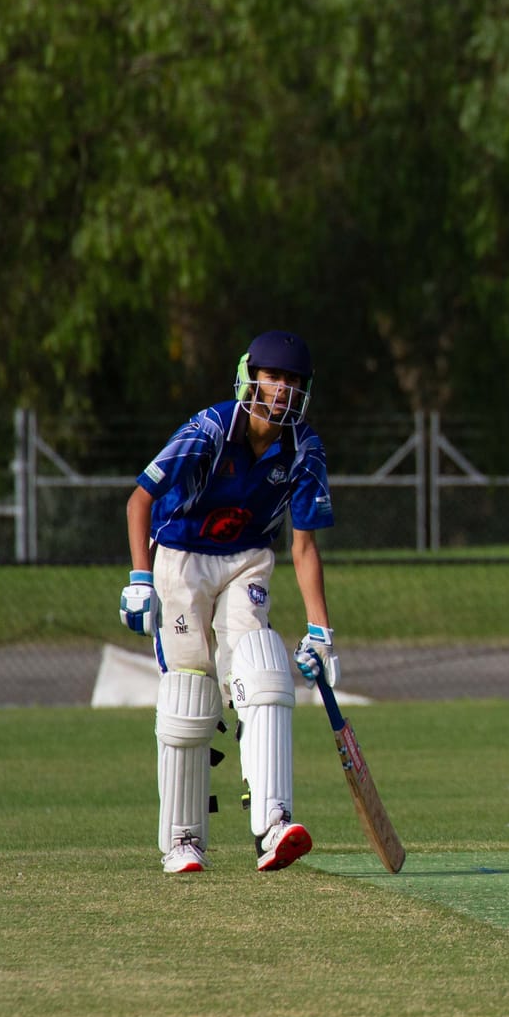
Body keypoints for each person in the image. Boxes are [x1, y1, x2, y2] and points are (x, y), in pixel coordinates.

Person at [120, 330, 338, 874]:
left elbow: (304, 545)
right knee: (190, 687)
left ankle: (274, 822)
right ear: (251, 377)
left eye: (293, 382)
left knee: (261, 665)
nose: (283, 391)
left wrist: (320, 632)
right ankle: (184, 840)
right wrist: (140, 578)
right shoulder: (211, 428)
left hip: (247, 558)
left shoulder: (304, 448)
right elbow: (139, 499)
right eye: (274, 378)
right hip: (180, 557)